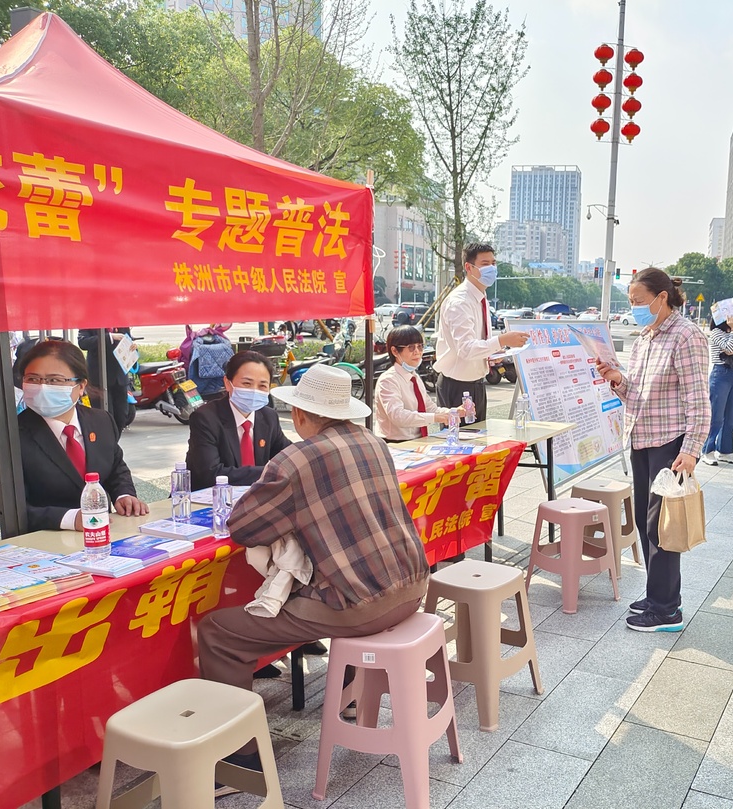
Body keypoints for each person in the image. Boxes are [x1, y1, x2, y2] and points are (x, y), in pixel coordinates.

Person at [197, 363, 431, 759]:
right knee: (345, 577)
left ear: (301, 415)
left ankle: (238, 759)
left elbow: (243, 527)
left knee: (219, 633)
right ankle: (352, 697)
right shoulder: (372, 441)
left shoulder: (295, 460)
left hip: (361, 606)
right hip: (411, 587)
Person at [595, 267, 710, 632]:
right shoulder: (646, 337)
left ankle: (666, 608)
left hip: (670, 443)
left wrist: (691, 450)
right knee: (649, 524)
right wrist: (617, 381)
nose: (634, 308)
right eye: (630, 302)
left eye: (639, 301)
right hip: (642, 439)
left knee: (663, 527)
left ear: (662, 298)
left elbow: (699, 401)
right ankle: (656, 593)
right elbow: (639, 394)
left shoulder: (686, 336)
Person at [0, 340, 149, 532]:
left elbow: (115, 468)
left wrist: (124, 495)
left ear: (80, 386)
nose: (43, 387)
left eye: (54, 380)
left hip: (102, 537)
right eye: (33, 379)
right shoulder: (10, 436)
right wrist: (71, 519)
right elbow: (8, 511)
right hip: (45, 547)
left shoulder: (101, 421)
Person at [433, 242, 529, 421]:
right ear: (469, 267)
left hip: (476, 383)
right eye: (485, 264)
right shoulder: (460, 302)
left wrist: (493, 352)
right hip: (456, 385)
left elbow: (477, 343)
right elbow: (467, 349)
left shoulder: (480, 297)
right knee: (460, 444)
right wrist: (501, 340)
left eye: (494, 263)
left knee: (478, 442)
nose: (492, 269)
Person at [185, 351, 291, 491]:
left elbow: (289, 456)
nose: (254, 391)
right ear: (228, 383)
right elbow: (211, 474)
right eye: (247, 383)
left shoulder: (268, 417)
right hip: (208, 500)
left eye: (262, 386)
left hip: (254, 498)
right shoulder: (205, 418)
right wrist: (270, 473)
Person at [374, 326, 460, 442]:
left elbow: (429, 408)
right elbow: (398, 416)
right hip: (394, 443)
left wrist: (452, 412)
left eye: (420, 347)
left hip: (417, 440)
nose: (417, 352)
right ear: (395, 351)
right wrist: (435, 418)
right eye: (411, 348)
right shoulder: (388, 380)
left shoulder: (414, 377)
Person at [700, 315, 733, 466]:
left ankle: (725, 450)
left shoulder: (729, 333)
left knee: (730, 415)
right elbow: (729, 349)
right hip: (720, 373)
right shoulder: (716, 332)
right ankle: (707, 450)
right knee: (716, 416)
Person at [77, 327, 133, 436]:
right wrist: (110, 337)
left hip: (119, 376)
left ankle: (113, 446)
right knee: (105, 417)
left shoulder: (121, 320)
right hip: (99, 376)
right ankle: (108, 446)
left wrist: (132, 347)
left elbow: (127, 340)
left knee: (121, 416)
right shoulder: (90, 320)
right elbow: (83, 342)